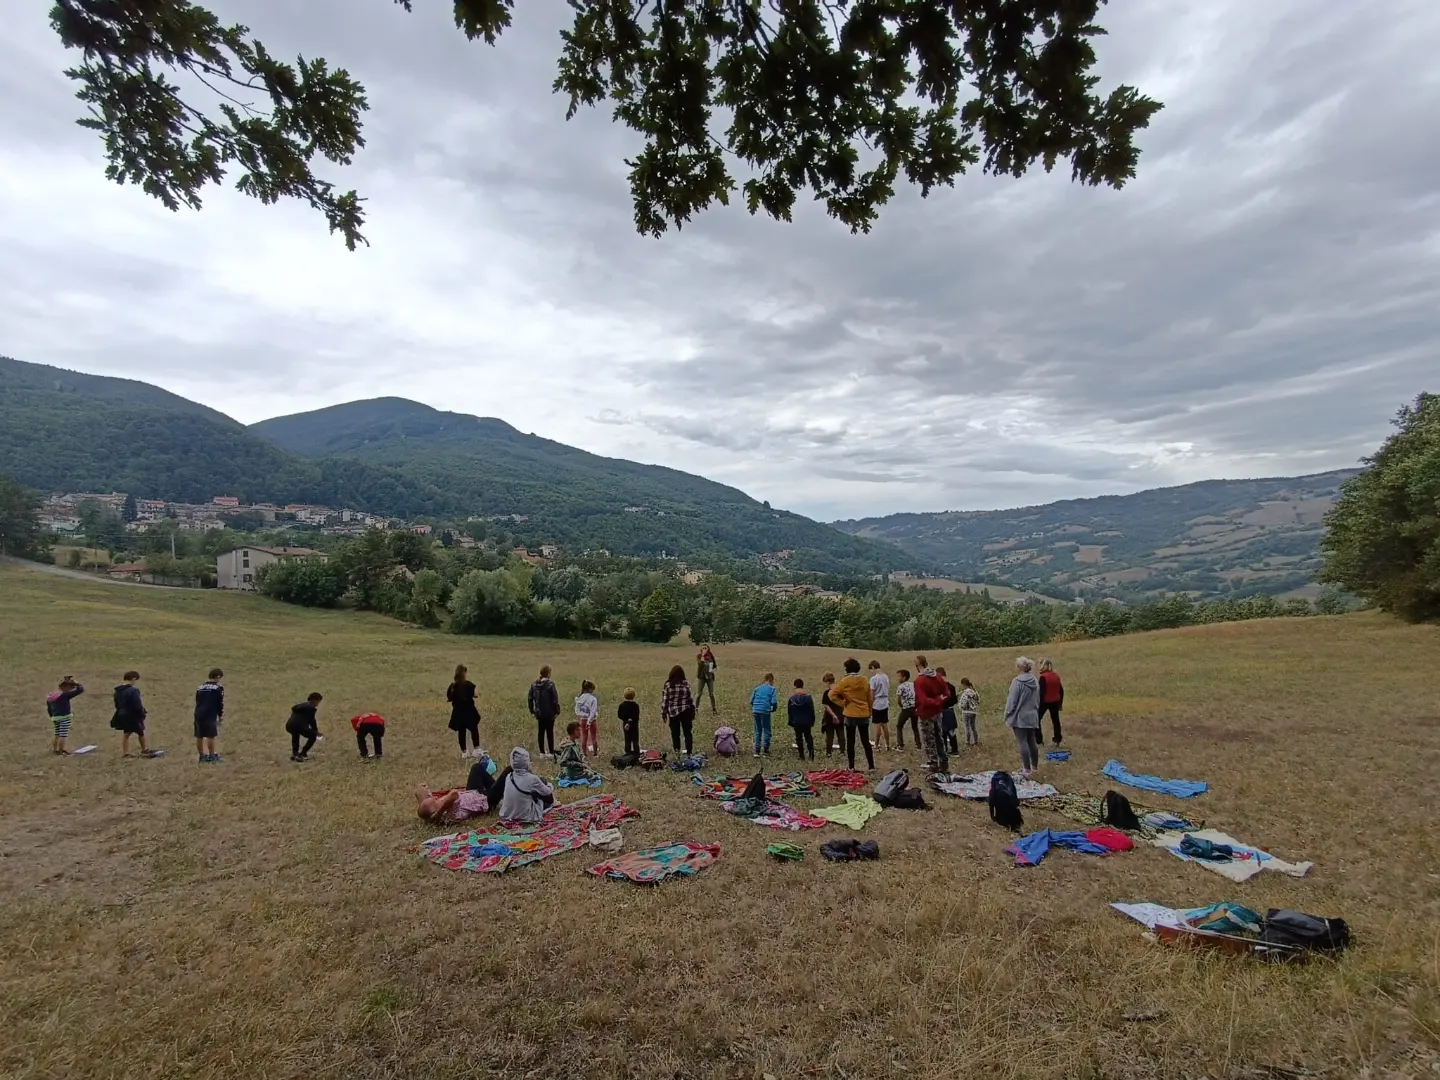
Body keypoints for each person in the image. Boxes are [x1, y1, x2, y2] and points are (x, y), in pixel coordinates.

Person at [829, 658, 875, 772]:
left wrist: (843, 703)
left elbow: (832, 694)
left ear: (847, 669)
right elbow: (869, 697)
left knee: (851, 741)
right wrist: (870, 711)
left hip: (850, 714)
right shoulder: (864, 680)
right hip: (863, 713)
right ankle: (871, 766)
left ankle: (851, 766)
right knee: (865, 741)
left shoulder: (845, 681)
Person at [1004, 657, 1042, 777]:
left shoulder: (1017, 682)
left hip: (1020, 716)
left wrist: (1007, 713)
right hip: (1033, 714)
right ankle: (1035, 767)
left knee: (1022, 742)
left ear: (1020, 667)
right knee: (1032, 741)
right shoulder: (1034, 680)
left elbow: (1012, 701)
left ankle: (1026, 769)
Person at [496, 747, 555, 822]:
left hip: (506, 815)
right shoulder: (532, 779)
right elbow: (547, 791)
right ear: (526, 762)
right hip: (526, 817)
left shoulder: (509, 776)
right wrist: (549, 785)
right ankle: (552, 803)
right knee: (543, 781)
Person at [913, 657, 949, 775]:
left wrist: (935, 701)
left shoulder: (919, 681)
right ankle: (943, 761)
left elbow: (923, 701)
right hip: (938, 712)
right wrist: (939, 700)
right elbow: (947, 693)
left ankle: (933, 764)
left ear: (917, 666)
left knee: (929, 739)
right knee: (939, 737)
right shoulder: (937, 676)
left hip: (926, 713)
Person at [111, 671, 160, 758]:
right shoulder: (133, 690)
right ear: (133, 679)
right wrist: (141, 714)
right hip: (132, 715)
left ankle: (127, 752)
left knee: (128, 733)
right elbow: (137, 705)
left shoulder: (117, 691)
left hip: (122, 714)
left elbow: (116, 704)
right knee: (139, 732)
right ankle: (144, 750)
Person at [447, 664, 482, 759]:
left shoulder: (452, 686)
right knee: (474, 729)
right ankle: (476, 749)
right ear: (464, 674)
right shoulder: (468, 684)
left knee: (461, 732)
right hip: (469, 711)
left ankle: (464, 752)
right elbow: (475, 694)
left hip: (458, 713)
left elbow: (449, 698)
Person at [661, 665, 696, 756]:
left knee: (675, 734)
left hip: (673, 713)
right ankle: (689, 752)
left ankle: (677, 752)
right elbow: (690, 699)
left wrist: (664, 713)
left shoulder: (668, 685)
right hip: (686, 711)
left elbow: (665, 701)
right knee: (687, 733)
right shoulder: (686, 684)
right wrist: (692, 710)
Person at [527, 665, 560, 760]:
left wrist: (532, 711)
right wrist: (557, 711)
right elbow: (554, 699)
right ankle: (550, 752)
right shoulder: (550, 684)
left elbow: (530, 698)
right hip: (550, 713)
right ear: (549, 673)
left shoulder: (534, 685)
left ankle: (542, 752)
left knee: (540, 732)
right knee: (550, 732)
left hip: (539, 713)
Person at [193, 668, 225, 764]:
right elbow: (219, 703)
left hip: (198, 712)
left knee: (199, 735)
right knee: (211, 735)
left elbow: (197, 700)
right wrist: (220, 715)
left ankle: (202, 756)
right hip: (210, 713)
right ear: (218, 677)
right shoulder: (218, 687)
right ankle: (212, 756)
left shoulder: (200, 687)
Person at [415, 784, 489, 825]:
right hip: (485, 800)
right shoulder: (449, 813)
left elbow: (419, 794)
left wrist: (426, 796)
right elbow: (454, 793)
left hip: (475, 792)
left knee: (476, 768)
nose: (437, 799)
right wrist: (442, 807)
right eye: (435, 801)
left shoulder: (436, 811)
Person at [46, 676, 84, 755]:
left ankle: (55, 750)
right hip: (65, 717)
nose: (71, 689)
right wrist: (77, 683)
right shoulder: (64, 695)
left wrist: (52, 716)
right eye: (70, 687)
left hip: (55, 718)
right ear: (64, 687)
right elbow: (80, 690)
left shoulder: (51, 696)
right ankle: (61, 751)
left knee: (57, 734)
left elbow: (49, 708)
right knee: (63, 735)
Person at [286, 692, 324, 762]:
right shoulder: (311, 708)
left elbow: (293, 708)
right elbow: (312, 720)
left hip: (289, 725)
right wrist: (315, 732)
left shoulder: (300, 706)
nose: (318, 704)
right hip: (299, 726)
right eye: (318, 702)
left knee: (295, 735)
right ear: (314, 700)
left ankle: (295, 754)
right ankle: (303, 753)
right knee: (312, 736)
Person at [787, 678, 816, 761]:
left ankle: (801, 755)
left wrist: (791, 721)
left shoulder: (792, 699)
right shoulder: (808, 698)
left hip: (797, 721)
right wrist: (812, 721)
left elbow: (790, 712)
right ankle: (811, 755)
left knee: (798, 738)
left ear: (795, 687)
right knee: (808, 737)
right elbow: (812, 710)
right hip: (807, 721)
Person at [750, 672, 778, 757]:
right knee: (766, 729)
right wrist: (773, 708)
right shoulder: (772, 689)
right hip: (765, 711)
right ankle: (766, 748)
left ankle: (757, 750)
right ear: (771, 680)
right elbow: (773, 702)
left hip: (755, 710)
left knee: (757, 730)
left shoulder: (757, 688)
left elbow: (751, 700)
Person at [1037, 659, 1065, 745]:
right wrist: (1060, 703)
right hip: (1055, 701)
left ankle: (1038, 740)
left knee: (1036, 720)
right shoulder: (1056, 676)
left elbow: (1041, 693)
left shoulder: (1043, 677)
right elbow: (1061, 690)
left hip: (1045, 702)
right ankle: (1057, 739)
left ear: (1043, 666)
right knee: (1056, 720)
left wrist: (1038, 704)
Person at [868, 660, 892, 753]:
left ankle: (877, 745)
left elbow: (872, 693)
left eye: (871, 669)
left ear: (873, 667)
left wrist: (871, 704)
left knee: (877, 725)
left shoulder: (874, 679)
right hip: (885, 701)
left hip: (877, 703)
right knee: (885, 724)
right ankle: (887, 744)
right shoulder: (885, 676)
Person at [819, 672, 844, 757]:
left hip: (829, 717)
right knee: (841, 734)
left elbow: (826, 706)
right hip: (841, 716)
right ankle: (842, 751)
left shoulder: (827, 693)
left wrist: (833, 715)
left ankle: (828, 752)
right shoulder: (840, 691)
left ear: (827, 682)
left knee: (829, 736)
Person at [937, 666, 960, 755]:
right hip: (950, 710)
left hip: (942, 710)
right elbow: (955, 701)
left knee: (942, 732)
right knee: (951, 731)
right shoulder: (952, 686)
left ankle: (944, 749)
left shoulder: (938, 687)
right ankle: (955, 750)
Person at [893, 669, 918, 750]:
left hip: (906, 709)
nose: (898, 678)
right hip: (914, 708)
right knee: (915, 726)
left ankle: (900, 745)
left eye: (899, 676)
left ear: (904, 677)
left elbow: (899, 700)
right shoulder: (912, 684)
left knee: (899, 726)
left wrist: (902, 706)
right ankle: (919, 745)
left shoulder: (901, 686)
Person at [574, 679, 599, 757]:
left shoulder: (579, 698)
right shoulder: (593, 699)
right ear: (590, 689)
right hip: (592, 721)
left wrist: (584, 715)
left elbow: (577, 711)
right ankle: (595, 754)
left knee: (584, 737)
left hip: (583, 720)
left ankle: (584, 754)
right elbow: (593, 711)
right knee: (593, 737)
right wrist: (589, 721)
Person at [695, 645, 719, 714]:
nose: (704, 649)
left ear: (708, 649)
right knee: (699, 694)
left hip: (709, 677)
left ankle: (714, 709)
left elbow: (714, 665)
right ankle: (696, 709)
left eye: (706, 648)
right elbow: (700, 663)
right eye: (703, 648)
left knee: (711, 694)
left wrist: (713, 670)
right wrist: (703, 655)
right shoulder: (699, 656)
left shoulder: (711, 656)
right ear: (701, 649)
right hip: (701, 677)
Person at [618, 687, 640, 756]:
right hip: (634, 725)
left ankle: (628, 753)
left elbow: (619, 715)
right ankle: (636, 753)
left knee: (627, 739)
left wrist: (626, 721)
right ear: (634, 695)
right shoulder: (636, 705)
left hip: (625, 725)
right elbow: (637, 716)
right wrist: (631, 720)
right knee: (635, 740)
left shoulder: (622, 705)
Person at [958, 678, 981, 746]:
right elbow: (978, 701)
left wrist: (961, 707)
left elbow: (963, 703)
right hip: (973, 712)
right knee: (973, 726)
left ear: (963, 684)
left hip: (966, 712)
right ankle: (976, 740)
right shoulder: (974, 692)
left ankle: (967, 741)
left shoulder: (965, 693)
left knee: (967, 727)